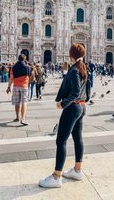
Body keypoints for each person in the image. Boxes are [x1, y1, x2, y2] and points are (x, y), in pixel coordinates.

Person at [38, 43, 91, 188]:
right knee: (77, 138)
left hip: (72, 108)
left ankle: (56, 177)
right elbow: (88, 90)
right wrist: (82, 101)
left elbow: (74, 92)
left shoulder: (74, 71)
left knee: (60, 141)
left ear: (71, 55)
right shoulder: (84, 69)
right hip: (81, 106)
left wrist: (63, 103)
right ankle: (77, 170)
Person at [6, 54, 31, 126]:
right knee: (24, 102)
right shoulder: (27, 67)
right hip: (24, 86)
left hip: (16, 86)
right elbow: (29, 76)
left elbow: (11, 78)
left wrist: (8, 87)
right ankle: (23, 119)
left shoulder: (13, 67)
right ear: (24, 59)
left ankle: (17, 117)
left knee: (17, 102)